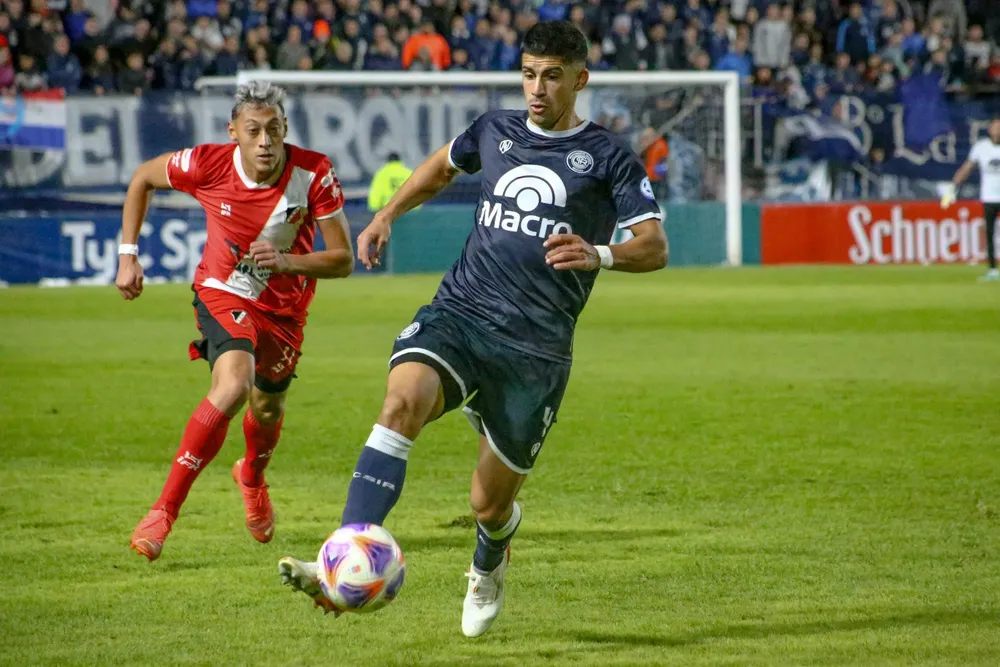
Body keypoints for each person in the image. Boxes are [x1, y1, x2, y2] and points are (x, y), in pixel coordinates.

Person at [277, 21, 668, 636]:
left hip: (535, 347)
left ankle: (490, 558)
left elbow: (654, 246)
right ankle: (343, 559)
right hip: (461, 311)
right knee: (402, 400)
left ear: (579, 80)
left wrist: (601, 253)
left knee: (488, 503)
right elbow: (440, 168)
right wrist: (385, 215)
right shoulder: (495, 129)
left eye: (552, 76)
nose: (537, 88)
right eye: (529, 73)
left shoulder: (610, 157)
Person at [118, 81, 354, 561]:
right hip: (224, 291)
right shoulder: (207, 162)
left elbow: (343, 258)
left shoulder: (314, 172)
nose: (265, 141)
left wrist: (286, 264)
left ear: (285, 129)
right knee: (232, 385)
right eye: (254, 131)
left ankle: (251, 476)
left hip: (286, 310)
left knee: (267, 408)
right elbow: (142, 177)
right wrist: (128, 255)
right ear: (235, 133)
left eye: (274, 129)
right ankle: (163, 512)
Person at [942, 116, 1000, 281]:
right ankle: (992, 270)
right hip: (989, 197)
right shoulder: (981, 148)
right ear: (989, 129)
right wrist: (952, 188)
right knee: (989, 234)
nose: (998, 131)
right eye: (995, 127)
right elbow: (966, 168)